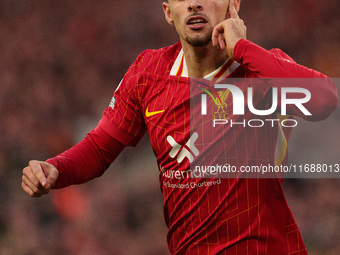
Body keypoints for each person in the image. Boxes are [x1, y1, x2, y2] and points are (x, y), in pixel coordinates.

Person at [21, 0, 338, 254]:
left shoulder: (260, 70)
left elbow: (324, 100)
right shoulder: (147, 74)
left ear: (233, 6)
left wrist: (241, 48)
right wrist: (56, 169)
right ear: (168, 12)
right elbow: (101, 146)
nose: (195, 5)